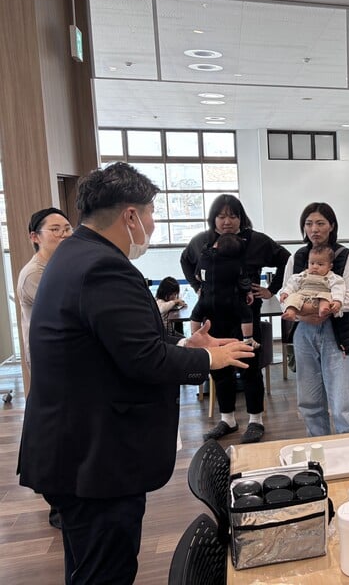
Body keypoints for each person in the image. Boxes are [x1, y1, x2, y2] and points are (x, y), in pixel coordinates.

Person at [17, 162, 253, 585]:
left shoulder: (74, 254)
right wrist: (208, 360)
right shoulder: (103, 267)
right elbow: (144, 360)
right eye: (150, 213)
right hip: (94, 456)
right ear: (130, 215)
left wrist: (185, 345)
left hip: (72, 447)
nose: (152, 224)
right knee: (105, 571)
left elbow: (118, 345)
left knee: (87, 567)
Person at [181, 194, 290, 444]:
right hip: (213, 320)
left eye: (232, 216)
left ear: (241, 218)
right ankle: (227, 419)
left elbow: (286, 259)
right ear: (213, 219)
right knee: (219, 370)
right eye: (221, 216)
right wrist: (197, 287)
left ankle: (255, 420)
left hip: (245, 318)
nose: (227, 221)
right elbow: (185, 260)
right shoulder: (203, 241)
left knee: (249, 368)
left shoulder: (256, 241)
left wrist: (271, 289)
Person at [283, 202, 349, 436]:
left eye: (320, 223)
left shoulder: (346, 256)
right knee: (309, 403)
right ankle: (318, 450)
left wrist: (319, 309)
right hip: (304, 333)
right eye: (309, 224)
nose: (314, 229)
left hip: (338, 333)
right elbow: (285, 293)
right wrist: (310, 312)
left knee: (343, 405)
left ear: (332, 226)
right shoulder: (298, 257)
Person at [16, 207, 73, 530]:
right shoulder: (35, 274)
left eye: (67, 228)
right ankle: (58, 505)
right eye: (55, 229)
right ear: (34, 237)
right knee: (55, 430)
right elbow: (64, 312)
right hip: (48, 362)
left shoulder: (58, 266)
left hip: (62, 358)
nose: (64, 234)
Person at [189, 233, 257, 347]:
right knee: (246, 314)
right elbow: (243, 281)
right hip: (230, 300)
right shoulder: (236, 262)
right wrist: (248, 292)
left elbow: (197, 276)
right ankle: (248, 339)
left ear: (216, 245)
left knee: (196, 315)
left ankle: (194, 337)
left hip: (207, 299)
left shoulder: (204, 257)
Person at [279, 244, 345, 321]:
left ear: (330, 267)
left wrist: (337, 301)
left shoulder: (332, 277)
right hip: (303, 296)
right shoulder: (302, 275)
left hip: (319, 296)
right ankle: (291, 312)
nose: (315, 267)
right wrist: (286, 293)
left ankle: (323, 310)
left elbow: (338, 289)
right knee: (293, 297)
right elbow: (292, 284)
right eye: (312, 263)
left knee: (326, 297)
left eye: (320, 264)